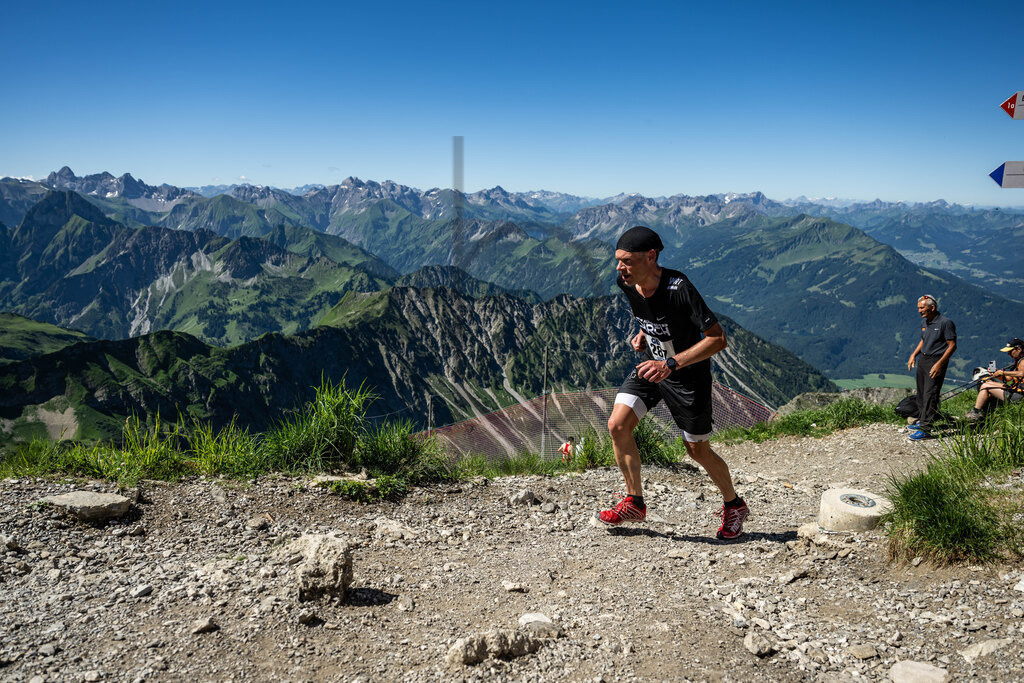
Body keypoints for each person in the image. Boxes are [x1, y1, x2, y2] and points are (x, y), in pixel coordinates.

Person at [597, 226, 749, 540]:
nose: (619, 268)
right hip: (653, 370)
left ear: (651, 257)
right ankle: (634, 501)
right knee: (617, 425)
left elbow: (718, 339)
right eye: (618, 260)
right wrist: (645, 334)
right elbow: (650, 316)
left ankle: (734, 505)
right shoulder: (627, 283)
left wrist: (671, 362)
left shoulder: (679, 288)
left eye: (626, 261)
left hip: (686, 377)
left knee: (698, 450)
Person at [905, 295, 956, 441]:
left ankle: (925, 429)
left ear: (932, 308)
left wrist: (939, 364)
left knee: (930, 394)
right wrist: (913, 354)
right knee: (921, 393)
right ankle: (922, 420)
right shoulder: (925, 322)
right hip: (923, 359)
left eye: (922, 308)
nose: (919, 311)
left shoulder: (946, 323)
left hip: (936, 360)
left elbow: (952, 346)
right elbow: (923, 340)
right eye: (919, 308)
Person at [965, 338, 1024, 419]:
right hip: (1015, 391)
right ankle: (982, 410)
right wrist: (997, 374)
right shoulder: (1018, 361)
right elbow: (1008, 378)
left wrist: (1002, 372)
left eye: (1010, 351)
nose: (1008, 354)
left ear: (1019, 349)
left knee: (985, 386)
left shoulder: (1023, 361)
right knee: (986, 383)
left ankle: (976, 412)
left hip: (1018, 396)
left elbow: (1022, 373)